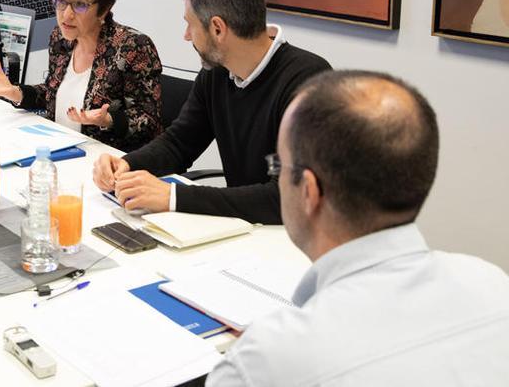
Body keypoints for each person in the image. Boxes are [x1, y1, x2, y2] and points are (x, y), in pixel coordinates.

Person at [206, 70, 509, 385]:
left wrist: (265, 351)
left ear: (309, 191)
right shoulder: (492, 285)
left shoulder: (267, 362)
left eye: (279, 165)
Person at [92, 0, 331, 224]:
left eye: (190, 24)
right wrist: (127, 164)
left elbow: (285, 197)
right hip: (242, 226)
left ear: (217, 28)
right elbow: (179, 143)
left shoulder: (308, 81)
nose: (186, 36)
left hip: (292, 236)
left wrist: (174, 197)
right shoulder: (217, 72)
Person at [0, 0, 163, 152]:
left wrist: (109, 120)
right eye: (61, 1)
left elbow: (148, 123)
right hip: (60, 149)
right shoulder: (61, 38)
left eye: (80, 5)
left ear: (104, 9)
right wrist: (15, 92)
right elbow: (51, 93)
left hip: (108, 162)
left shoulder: (132, 47)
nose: (66, 15)